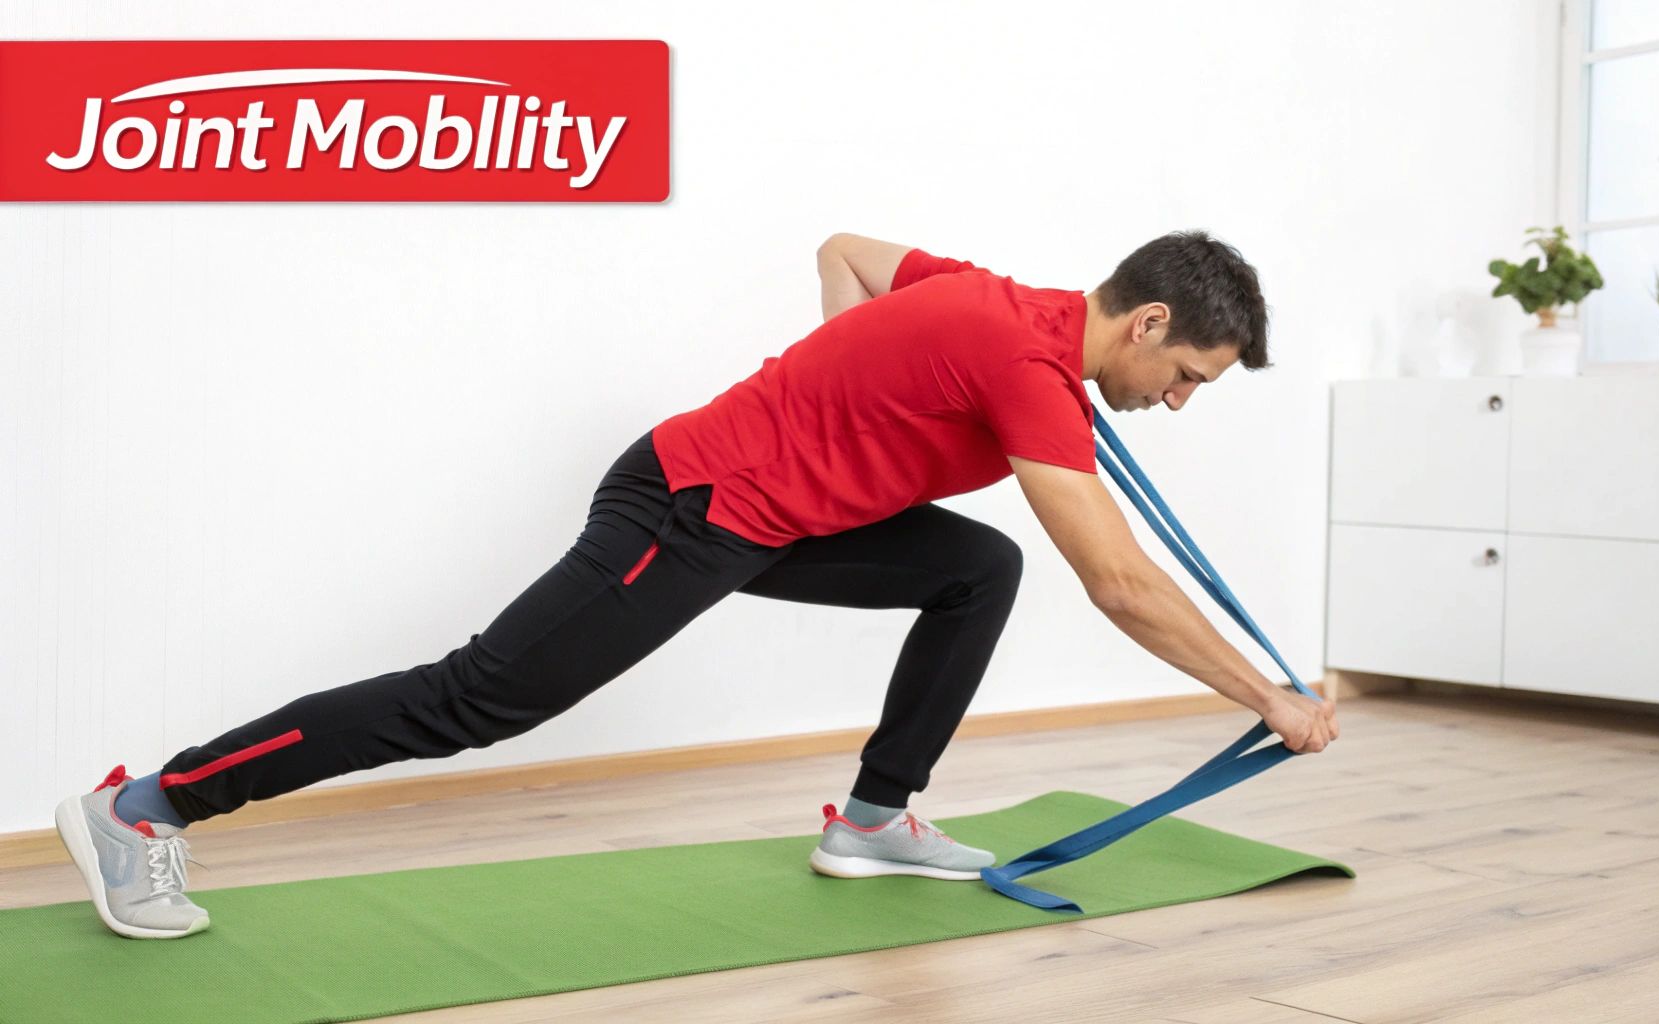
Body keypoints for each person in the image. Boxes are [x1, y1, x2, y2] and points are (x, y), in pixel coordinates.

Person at [54, 230, 1339, 939]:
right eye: (1186, 379)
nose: (1171, 406)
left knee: (975, 566)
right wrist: (1269, 694)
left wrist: (836, 391)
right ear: (1150, 324)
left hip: (771, 513)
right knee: (478, 699)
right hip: (691, 504)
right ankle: (151, 805)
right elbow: (1116, 580)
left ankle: (874, 819)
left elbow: (847, 249)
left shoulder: (994, 300)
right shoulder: (1024, 366)